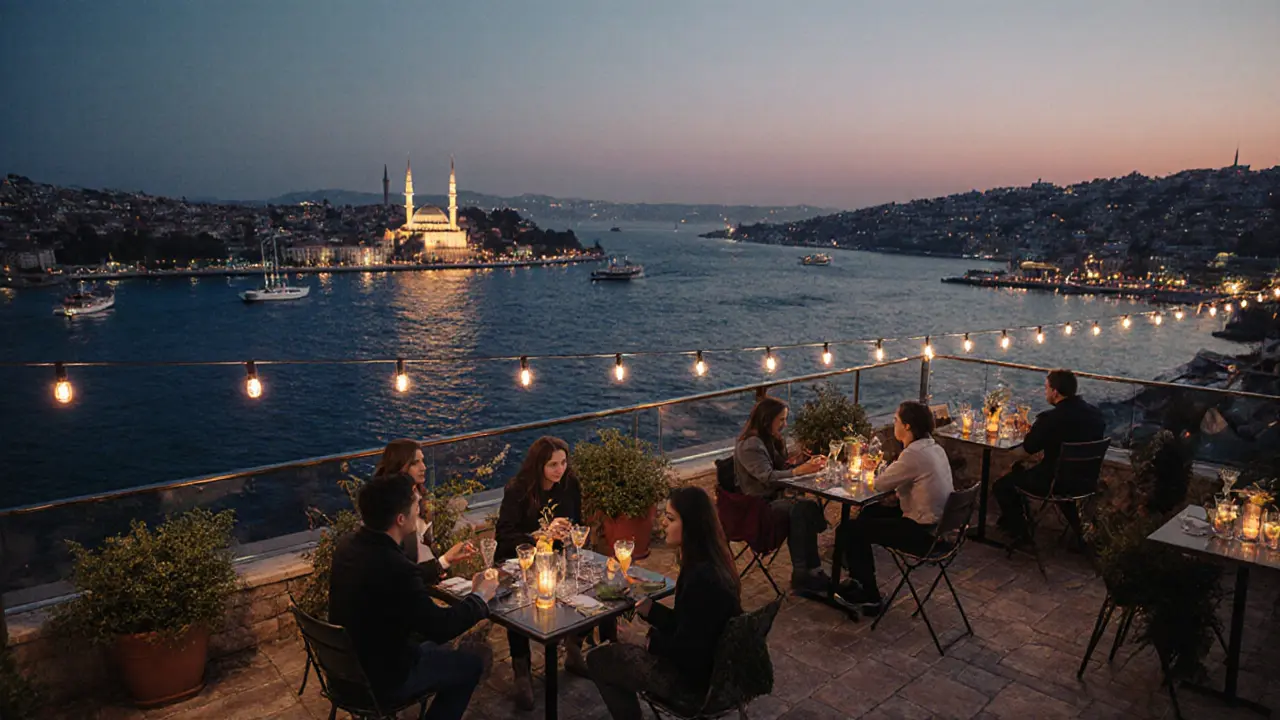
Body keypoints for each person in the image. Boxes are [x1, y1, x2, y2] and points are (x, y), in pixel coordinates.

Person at [328, 473, 499, 720]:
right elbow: (440, 627)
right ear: (400, 518)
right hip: (383, 679)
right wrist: (480, 597)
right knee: (470, 666)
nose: (419, 507)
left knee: (437, 650)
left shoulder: (349, 547)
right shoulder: (394, 566)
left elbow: (399, 579)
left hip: (346, 671)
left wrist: (443, 561)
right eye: (414, 504)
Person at [586, 487, 743, 720]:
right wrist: (651, 610)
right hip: (720, 675)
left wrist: (643, 639)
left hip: (694, 687)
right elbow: (691, 627)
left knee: (598, 659)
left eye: (670, 518)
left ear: (691, 525)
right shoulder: (714, 561)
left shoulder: (701, 578)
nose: (662, 523)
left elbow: (689, 652)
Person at [494, 436, 597, 710]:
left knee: (593, 588)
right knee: (517, 610)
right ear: (539, 464)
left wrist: (570, 533)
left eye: (563, 462)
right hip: (523, 562)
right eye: (553, 464)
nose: (559, 470)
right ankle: (522, 672)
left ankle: (574, 649)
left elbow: (578, 522)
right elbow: (503, 537)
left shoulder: (570, 484)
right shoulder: (518, 490)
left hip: (559, 557)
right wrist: (541, 534)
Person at [834, 401, 953, 615]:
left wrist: (865, 471)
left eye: (896, 420)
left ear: (907, 426)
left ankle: (870, 596)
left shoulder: (913, 454)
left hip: (922, 533)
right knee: (868, 514)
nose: (893, 423)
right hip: (942, 528)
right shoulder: (935, 448)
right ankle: (857, 577)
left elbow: (879, 484)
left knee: (849, 530)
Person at [993, 369, 1105, 543]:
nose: (1044, 392)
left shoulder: (1051, 419)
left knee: (1003, 485)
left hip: (1054, 482)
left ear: (1055, 392)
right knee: (1056, 487)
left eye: (1046, 388)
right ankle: (1082, 536)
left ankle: (1021, 533)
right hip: (1085, 480)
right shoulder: (1096, 415)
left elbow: (1029, 447)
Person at [732, 396, 829, 593]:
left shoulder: (769, 440)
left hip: (773, 499)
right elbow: (767, 477)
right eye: (781, 420)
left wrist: (803, 461)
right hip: (757, 505)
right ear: (767, 420)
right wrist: (799, 471)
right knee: (801, 510)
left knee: (804, 508)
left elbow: (781, 467)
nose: (785, 425)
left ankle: (811, 571)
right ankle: (804, 574)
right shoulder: (751, 445)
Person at [375, 439, 477, 585]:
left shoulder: (419, 497)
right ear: (400, 467)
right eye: (415, 463)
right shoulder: (391, 512)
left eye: (423, 461)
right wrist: (444, 561)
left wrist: (445, 561)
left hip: (429, 578)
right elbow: (404, 577)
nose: (423, 467)